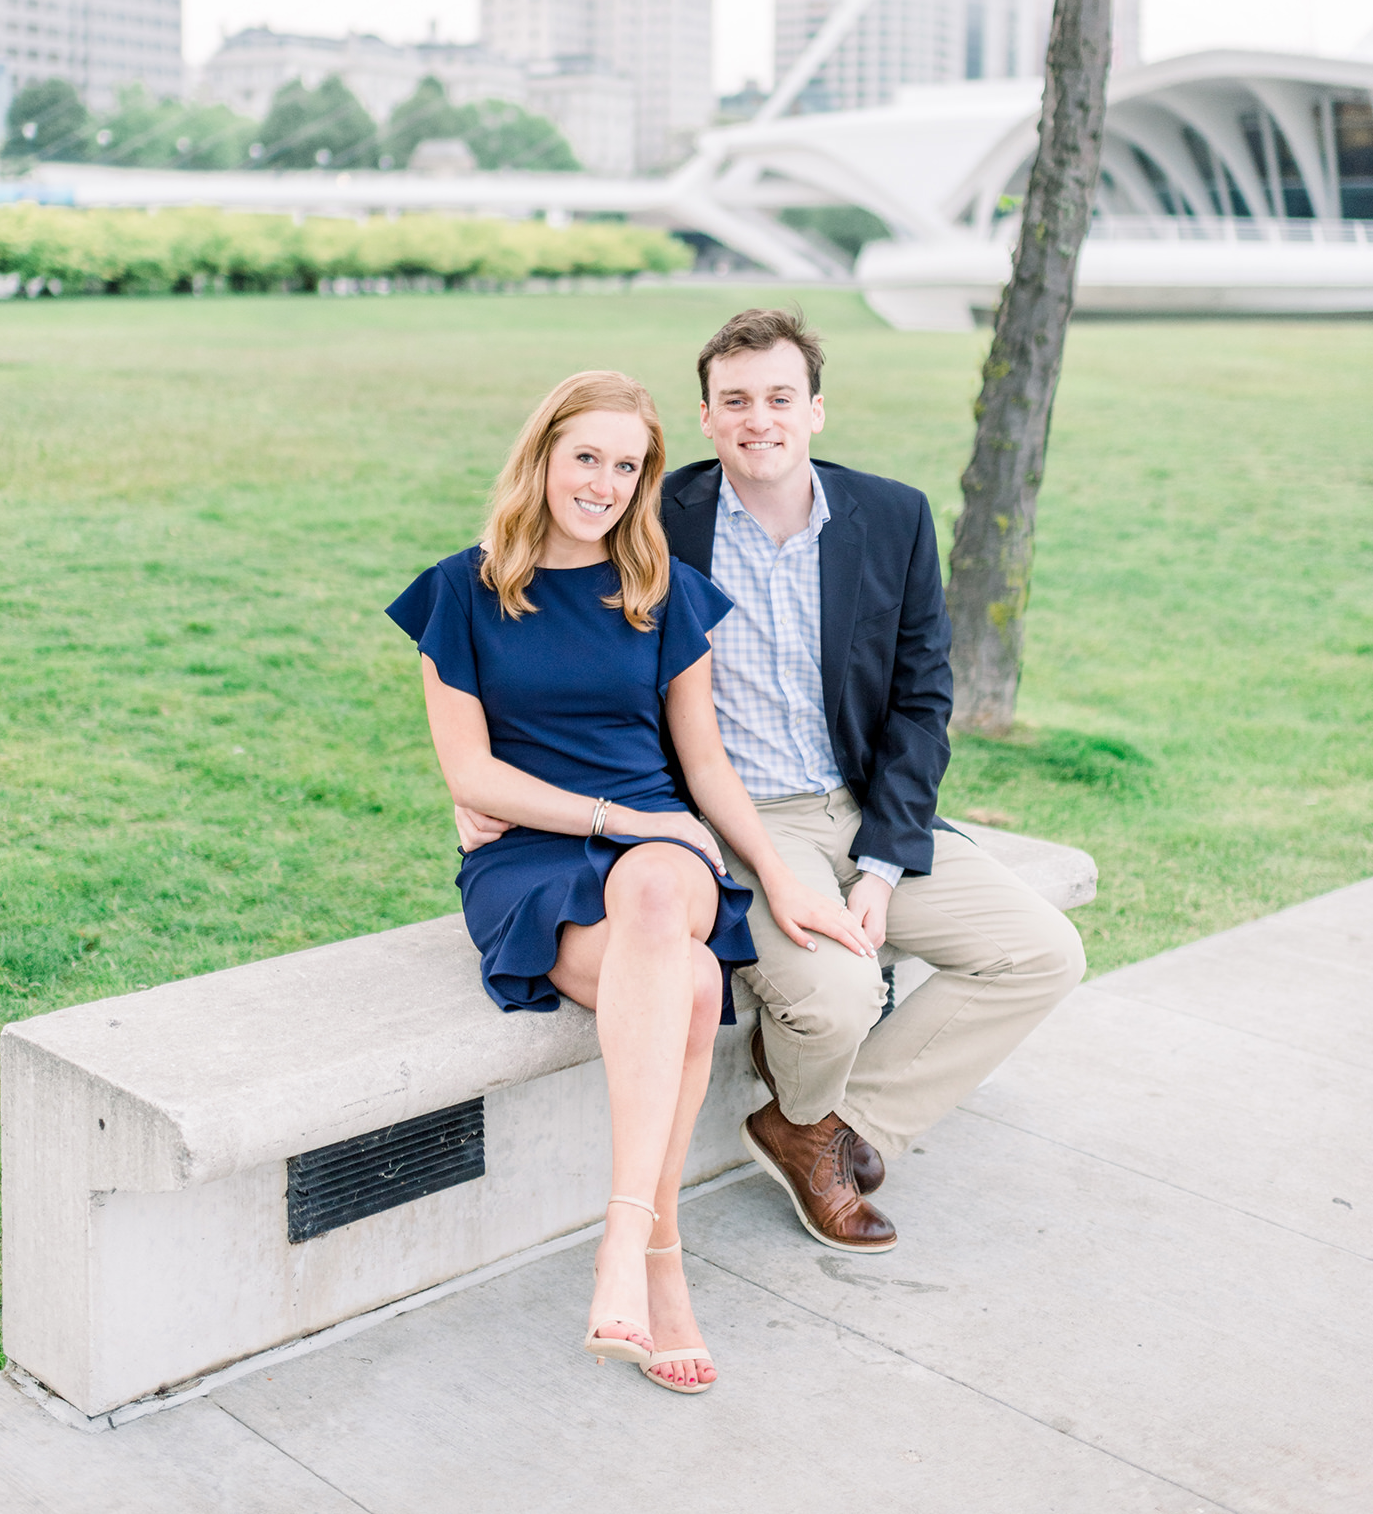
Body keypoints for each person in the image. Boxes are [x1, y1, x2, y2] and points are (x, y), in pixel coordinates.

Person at [388, 369, 875, 1391]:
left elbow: (704, 768)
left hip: (664, 857)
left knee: (657, 893)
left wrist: (779, 874)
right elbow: (471, 775)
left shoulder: (664, 596)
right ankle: (662, 1261)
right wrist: (617, 816)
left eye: (627, 465)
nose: (604, 483)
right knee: (693, 989)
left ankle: (617, 1242)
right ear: (542, 458)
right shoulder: (459, 592)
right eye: (587, 458)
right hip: (531, 858)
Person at [659, 307, 1087, 1253]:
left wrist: (886, 867)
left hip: (864, 810)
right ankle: (812, 1116)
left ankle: (823, 1129)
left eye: (779, 397)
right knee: (837, 997)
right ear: (705, 417)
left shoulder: (891, 516)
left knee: (1043, 953)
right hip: (744, 821)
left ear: (816, 410)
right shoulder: (660, 522)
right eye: (734, 401)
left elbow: (920, 702)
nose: (756, 419)